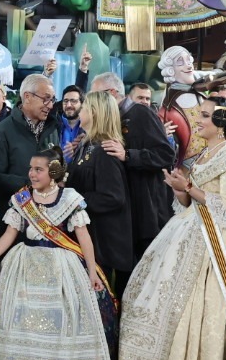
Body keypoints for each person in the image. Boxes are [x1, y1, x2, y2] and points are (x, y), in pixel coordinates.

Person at [118, 99, 226, 360]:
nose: (197, 119)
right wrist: (179, 189)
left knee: (198, 309)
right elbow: (190, 201)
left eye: (204, 115)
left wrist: (188, 187)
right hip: (189, 228)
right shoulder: (205, 154)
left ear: (221, 123)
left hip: (216, 239)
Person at [0, 152, 116, 360]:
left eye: (39, 169)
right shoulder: (22, 199)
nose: (32, 174)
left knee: (63, 319)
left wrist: (91, 270)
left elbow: (84, 238)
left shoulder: (70, 199)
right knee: (21, 318)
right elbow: (11, 233)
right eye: (31, 169)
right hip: (25, 263)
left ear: (53, 172)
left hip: (62, 266)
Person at [91, 71, 176, 279]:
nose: (93, 103)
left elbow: (166, 155)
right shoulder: (113, 119)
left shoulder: (140, 113)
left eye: (96, 96)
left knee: (148, 276)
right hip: (127, 214)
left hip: (148, 211)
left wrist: (128, 155)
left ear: (111, 93)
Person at [63, 90, 133, 286]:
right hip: (92, 238)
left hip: (104, 244)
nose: (79, 111)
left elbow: (113, 197)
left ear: (94, 112)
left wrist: (74, 200)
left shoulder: (104, 150)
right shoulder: (87, 145)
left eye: (83, 107)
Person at [0, 74, 60, 229]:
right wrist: (29, 184)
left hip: (50, 220)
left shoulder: (53, 128)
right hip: (15, 224)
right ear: (27, 97)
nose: (50, 105)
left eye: (52, 100)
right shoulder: (1, 133)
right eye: (46, 98)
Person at [56, 84, 86, 153]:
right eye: (65, 101)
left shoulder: (88, 127)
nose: (68, 105)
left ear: (82, 103)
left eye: (73, 101)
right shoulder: (53, 126)